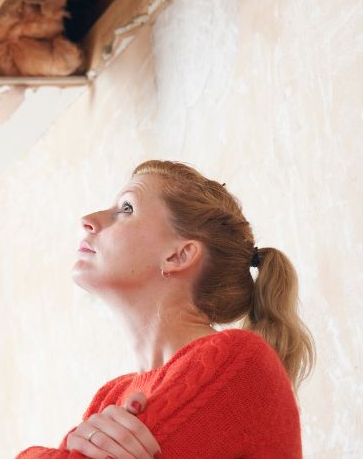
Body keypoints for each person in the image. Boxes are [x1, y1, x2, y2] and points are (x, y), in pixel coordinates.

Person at [17, 160, 314, 459]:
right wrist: (74, 443)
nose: (88, 219)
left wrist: (67, 446)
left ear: (179, 255)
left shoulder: (234, 359)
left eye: (126, 208)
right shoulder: (112, 396)